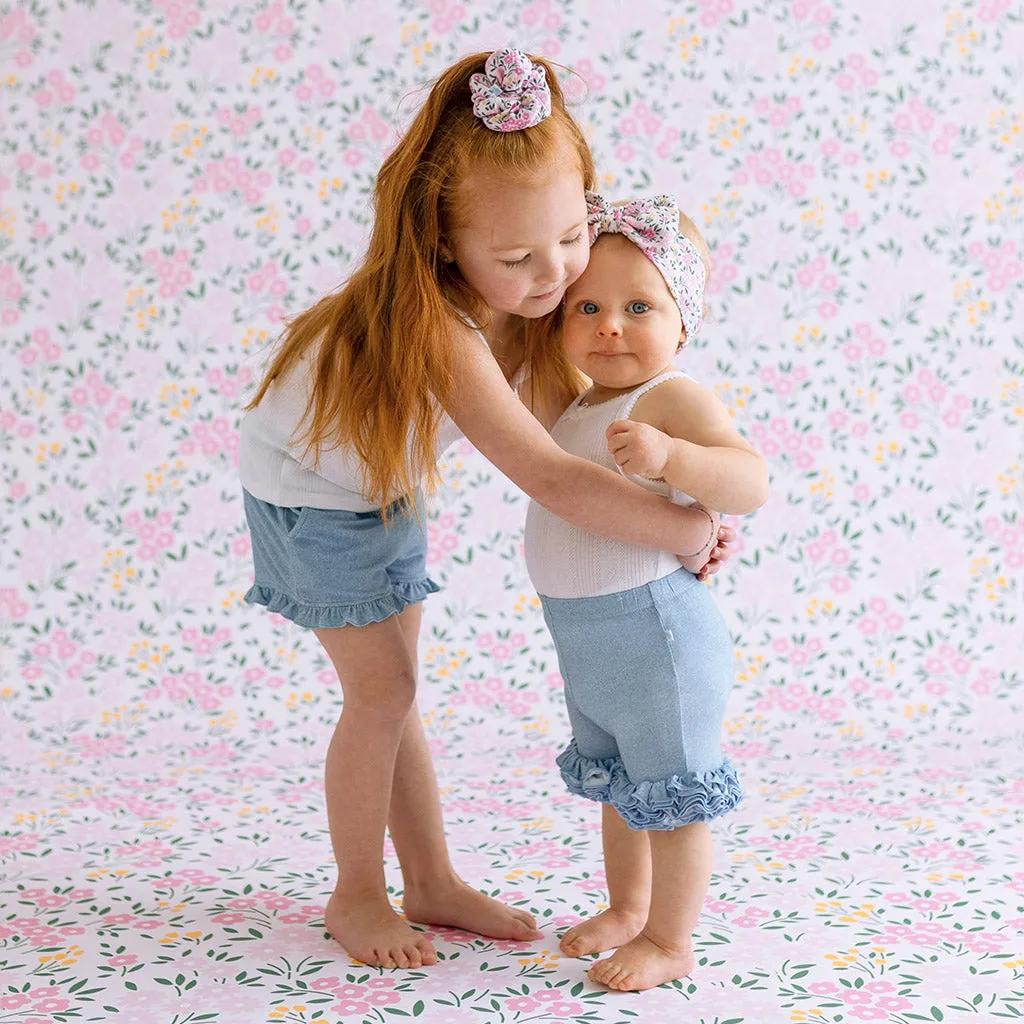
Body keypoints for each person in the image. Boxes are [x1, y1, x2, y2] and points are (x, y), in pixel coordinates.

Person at [238, 49, 732, 970]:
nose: (555, 275)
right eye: (516, 257)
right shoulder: (440, 326)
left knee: (399, 692)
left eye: (573, 234)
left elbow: (582, 431)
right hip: (307, 490)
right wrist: (681, 529)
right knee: (379, 693)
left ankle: (428, 878)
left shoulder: (534, 295)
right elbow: (550, 476)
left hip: (381, 476)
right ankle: (356, 892)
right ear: (442, 243)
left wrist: (688, 482)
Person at [523, 192, 769, 991]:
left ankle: (669, 938)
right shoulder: (580, 401)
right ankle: (627, 909)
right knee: (624, 790)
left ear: (682, 319)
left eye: (639, 306)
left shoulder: (667, 395)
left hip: (655, 635)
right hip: (588, 642)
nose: (609, 325)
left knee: (675, 793)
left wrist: (674, 460)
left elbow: (750, 479)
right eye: (587, 306)